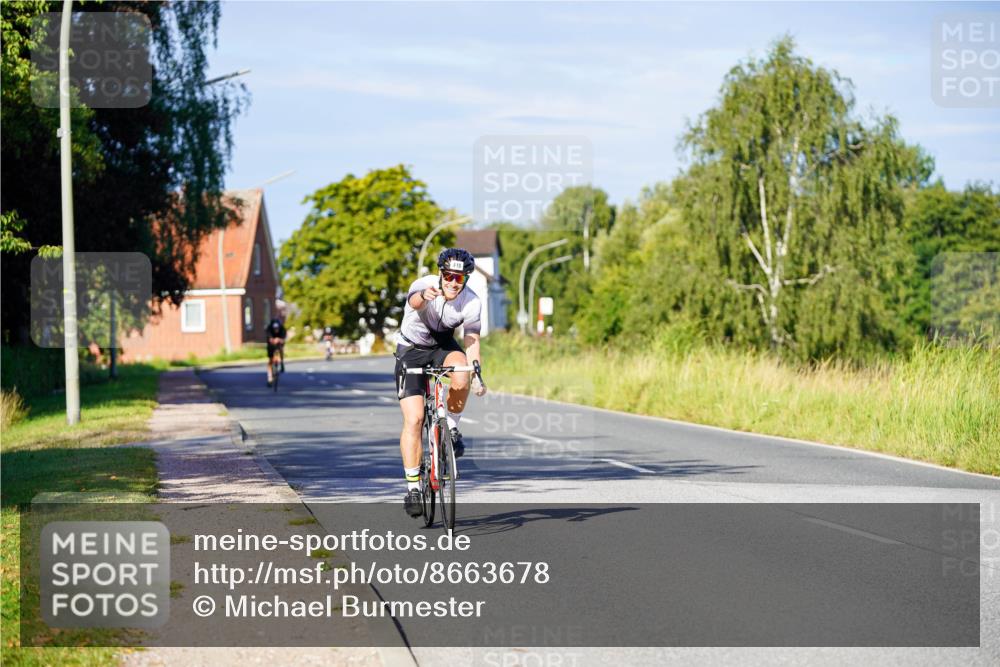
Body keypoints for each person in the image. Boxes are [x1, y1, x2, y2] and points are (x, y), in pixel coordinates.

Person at [395, 248, 487, 517]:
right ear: (440, 274)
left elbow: (471, 340)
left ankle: (452, 428)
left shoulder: (471, 302)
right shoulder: (424, 285)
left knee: (462, 371)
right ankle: (413, 488)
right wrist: (424, 296)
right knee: (415, 418)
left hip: (442, 347)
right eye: (448, 276)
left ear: (466, 279)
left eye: (459, 278)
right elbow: (413, 301)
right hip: (411, 349)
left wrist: (477, 373)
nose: (453, 283)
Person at [266, 317, 286, 386]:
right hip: (271, 344)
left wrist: (280, 340)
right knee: (270, 360)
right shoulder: (269, 329)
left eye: (277, 328)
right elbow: (269, 338)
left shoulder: (282, 329)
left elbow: (283, 339)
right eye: (275, 328)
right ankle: (270, 378)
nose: (276, 330)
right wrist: (272, 340)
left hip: (279, 343)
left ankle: (281, 362)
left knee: (281, 349)